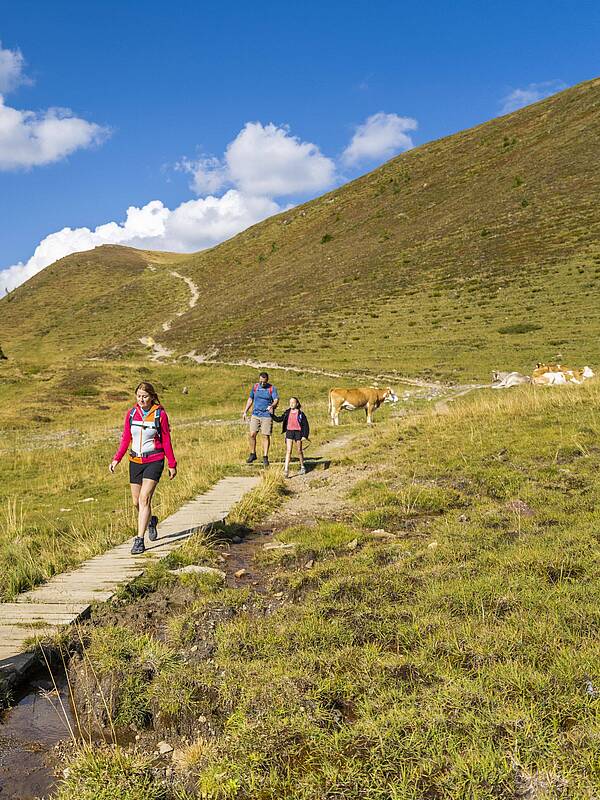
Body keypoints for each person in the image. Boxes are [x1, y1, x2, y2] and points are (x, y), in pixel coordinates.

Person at [109, 382, 177, 554]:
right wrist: (117, 459)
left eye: (145, 396)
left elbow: (167, 440)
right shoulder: (131, 414)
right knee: (136, 502)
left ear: (152, 397)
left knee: (144, 498)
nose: (141, 399)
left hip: (154, 460)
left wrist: (172, 464)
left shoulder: (160, 414)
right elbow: (126, 438)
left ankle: (139, 540)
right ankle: (151, 520)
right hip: (135, 461)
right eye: (138, 396)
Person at [242, 371, 279, 466]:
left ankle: (265, 457)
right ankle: (253, 454)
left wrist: (272, 406)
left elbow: (276, 400)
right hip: (255, 414)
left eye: (264, 382)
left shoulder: (272, 388)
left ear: (267, 380)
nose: (262, 383)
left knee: (265, 435)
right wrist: (245, 411)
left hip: (266, 415)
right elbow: (251, 399)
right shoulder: (255, 387)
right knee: (252, 434)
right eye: (261, 381)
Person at [272, 396, 310, 478]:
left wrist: (305, 435)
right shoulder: (287, 412)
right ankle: (286, 470)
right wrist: (271, 414)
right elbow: (279, 419)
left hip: (298, 433)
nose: (291, 404)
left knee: (299, 450)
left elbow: (305, 425)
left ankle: (302, 466)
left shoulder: (301, 414)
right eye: (290, 403)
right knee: (288, 451)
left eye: (293, 402)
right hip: (289, 432)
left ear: (297, 404)